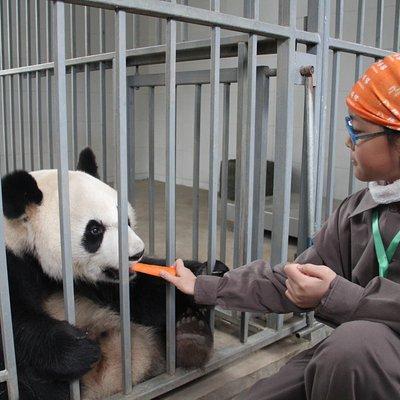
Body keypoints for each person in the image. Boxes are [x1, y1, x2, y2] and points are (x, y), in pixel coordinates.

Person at [160, 52, 400, 400]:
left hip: (362, 353)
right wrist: (204, 286)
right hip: (355, 354)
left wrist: (343, 298)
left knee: (352, 348)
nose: (348, 141)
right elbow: (294, 274)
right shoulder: (359, 209)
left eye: (358, 131)